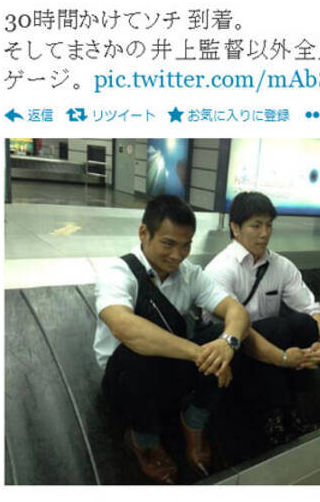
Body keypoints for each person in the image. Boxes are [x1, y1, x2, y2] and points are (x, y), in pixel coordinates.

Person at [94, 195, 250, 484]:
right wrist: (198, 353)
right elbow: (123, 325)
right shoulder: (117, 272)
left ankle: (193, 422)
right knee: (135, 353)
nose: (178, 255)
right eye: (168, 243)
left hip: (171, 371)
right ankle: (143, 439)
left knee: (222, 340)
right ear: (144, 233)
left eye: (186, 245)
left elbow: (235, 311)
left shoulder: (190, 274)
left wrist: (227, 343)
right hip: (126, 382)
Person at [204, 191, 320, 445]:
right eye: (256, 226)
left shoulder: (281, 266)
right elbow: (234, 331)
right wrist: (281, 357)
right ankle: (272, 416)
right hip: (232, 351)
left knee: (305, 325)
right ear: (235, 228)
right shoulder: (220, 269)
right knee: (277, 330)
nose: (264, 233)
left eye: (269, 225)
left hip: (272, 342)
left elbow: (310, 307)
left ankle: (291, 408)